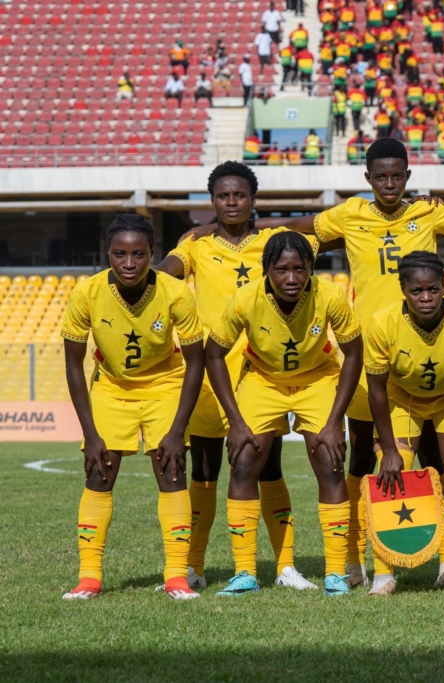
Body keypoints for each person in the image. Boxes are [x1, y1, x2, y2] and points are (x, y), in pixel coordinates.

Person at [198, 139, 444, 589]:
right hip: (371, 356)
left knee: (439, 461)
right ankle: (354, 561)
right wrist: (231, 225)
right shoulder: (350, 214)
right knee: (362, 457)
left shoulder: (428, 212)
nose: (388, 183)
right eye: (380, 177)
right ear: (368, 178)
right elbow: (298, 229)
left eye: (397, 176)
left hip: (426, 350)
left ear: (408, 176)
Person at [157, 162, 324, 590]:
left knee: (268, 467)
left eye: (240, 195)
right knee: (204, 470)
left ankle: (285, 566)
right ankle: (193, 566)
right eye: (223, 196)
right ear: (212, 200)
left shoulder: (274, 241)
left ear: (253, 199)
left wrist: (264, 223)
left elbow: (319, 226)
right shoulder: (196, 245)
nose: (231, 203)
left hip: (260, 373)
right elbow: (164, 272)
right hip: (209, 372)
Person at [206, 232, 363, 597]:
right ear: (266, 270)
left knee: (330, 461)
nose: (291, 278)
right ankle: (245, 573)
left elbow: (354, 353)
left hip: (317, 378)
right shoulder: (246, 299)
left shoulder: (329, 295)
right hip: (263, 379)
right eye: (282, 269)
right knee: (244, 461)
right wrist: (236, 422)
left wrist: (334, 422)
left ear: (311, 269)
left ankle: (335, 574)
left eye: (300, 269)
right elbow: (213, 354)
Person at [60, 215, 206, 601]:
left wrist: (177, 429)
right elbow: (73, 365)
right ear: (107, 253)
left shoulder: (175, 292)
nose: (129, 263)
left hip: (164, 386)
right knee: (98, 475)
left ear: (152, 253)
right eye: (119, 254)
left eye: (138, 254)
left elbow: (197, 363)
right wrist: (90, 434)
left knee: (172, 473)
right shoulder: (86, 292)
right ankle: (89, 578)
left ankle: (176, 577)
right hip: (111, 388)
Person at [366, 252, 444, 596]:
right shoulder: (382, 324)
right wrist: (389, 451)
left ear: (443, 286)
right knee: (389, 476)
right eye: (416, 291)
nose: (425, 298)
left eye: (433, 289)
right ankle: (383, 576)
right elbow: (376, 390)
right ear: (403, 289)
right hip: (401, 400)